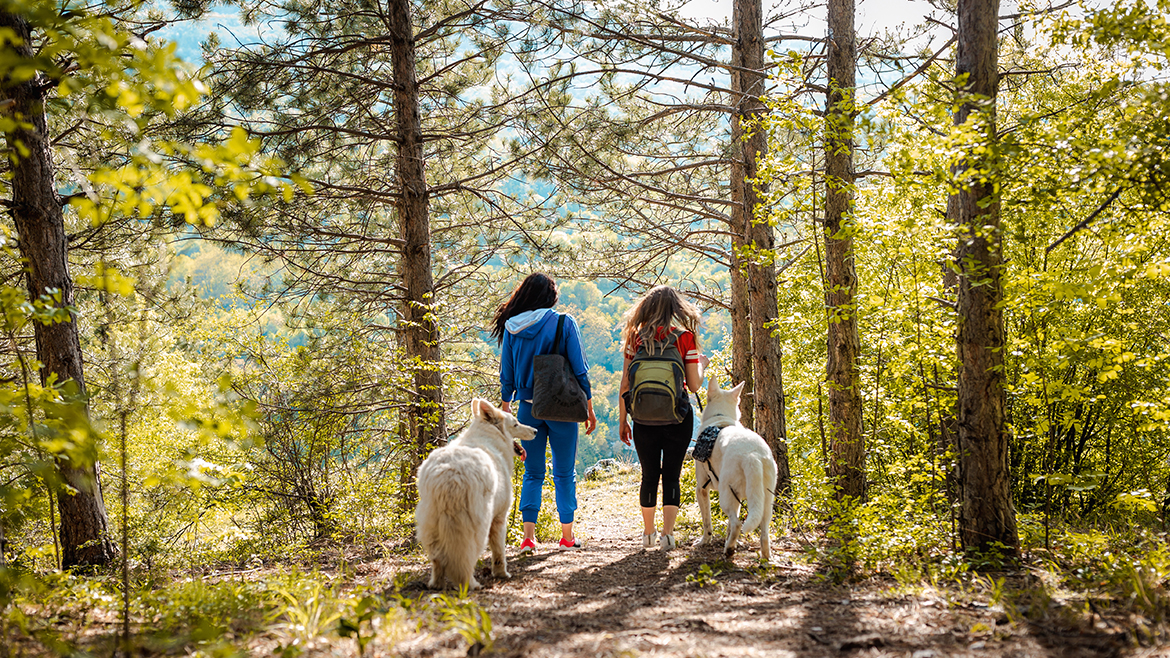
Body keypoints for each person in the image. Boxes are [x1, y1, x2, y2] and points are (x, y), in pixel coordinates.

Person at [494, 273, 597, 553]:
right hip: (562, 408)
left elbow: (508, 377)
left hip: (528, 409)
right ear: (550, 297)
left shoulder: (512, 328)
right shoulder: (564, 323)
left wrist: (506, 415)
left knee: (532, 473)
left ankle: (528, 538)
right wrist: (588, 406)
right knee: (565, 473)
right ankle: (567, 536)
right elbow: (580, 369)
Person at [618, 285, 706, 551]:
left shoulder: (636, 338)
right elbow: (693, 385)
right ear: (675, 308)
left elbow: (625, 383)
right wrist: (701, 363)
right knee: (672, 475)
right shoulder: (685, 338)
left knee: (648, 475)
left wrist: (623, 420)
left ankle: (648, 534)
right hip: (678, 417)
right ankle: (668, 535)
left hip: (643, 418)